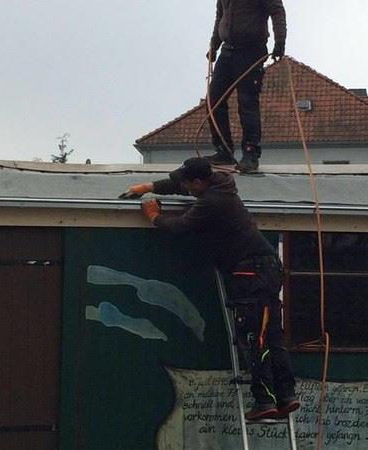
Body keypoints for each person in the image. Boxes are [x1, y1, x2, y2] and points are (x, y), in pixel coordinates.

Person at [121, 157, 299, 420]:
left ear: (198, 181)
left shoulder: (212, 202)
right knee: (272, 336)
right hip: (267, 268)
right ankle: (286, 395)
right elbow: (177, 185)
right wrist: (147, 186)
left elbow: (181, 226)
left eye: (187, 183)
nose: (185, 188)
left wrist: (154, 217)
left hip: (250, 274)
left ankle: (265, 401)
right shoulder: (219, 185)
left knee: (253, 337)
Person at [206, 0, 287, 173]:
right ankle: (223, 150)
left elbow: (277, 11)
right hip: (228, 50)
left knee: (247, 103)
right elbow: (221, 16)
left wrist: (280, 42)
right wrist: (214, 45)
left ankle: (251, 153)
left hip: (251, 51)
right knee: (213, 100)